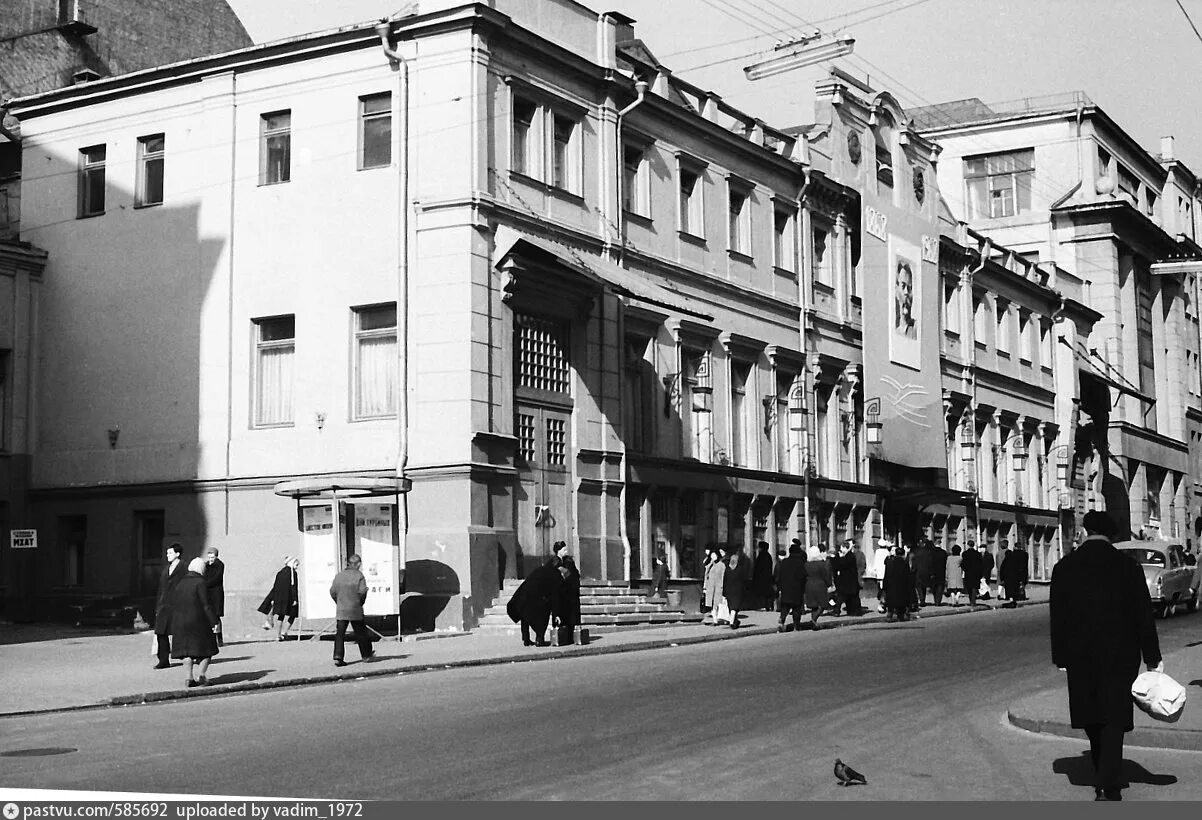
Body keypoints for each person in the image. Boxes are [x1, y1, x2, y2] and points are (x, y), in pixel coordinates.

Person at [1051, 510, 1162, 802]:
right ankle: (1108, 784)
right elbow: (1143, 616)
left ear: (1086, 531)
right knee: (1114, 716)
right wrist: (1152, 656)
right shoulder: (1128, 567)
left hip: (1080, 654)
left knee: (1091, 715)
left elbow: (1057, 617)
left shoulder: (1065, 568)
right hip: (1119, 655)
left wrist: (1061, 656)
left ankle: (1103, 769)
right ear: (1112, 536)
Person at [168, 557, 219, 687]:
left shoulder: (180, 583)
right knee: (208, 649)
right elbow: (206, 605)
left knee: (186, 651)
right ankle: (201, 675)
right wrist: (214, 622)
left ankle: (188, 678)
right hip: (198, 622)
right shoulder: (201, 582)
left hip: (180, 622)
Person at [329, 554, 374, 667]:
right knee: (361, 633)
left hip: (341, 609)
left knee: (340, 634)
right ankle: (366, 655)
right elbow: (362, 591)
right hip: (355, 608)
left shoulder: (339, 575)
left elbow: (333, 591)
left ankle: (338, 657)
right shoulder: (359, 575)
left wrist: (339, 601)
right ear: (358, 564)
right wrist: (360, 602)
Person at [505, 560, 563, 647]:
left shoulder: (541, 569)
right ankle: (539, 639)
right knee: (542, 617)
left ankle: (526, 639)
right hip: (536, 597)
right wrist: (556, 614)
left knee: (524, 615)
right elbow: (555, 595)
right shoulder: (555, 574)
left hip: (523, 594)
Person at [153, 543, 185, 669]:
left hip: (177, 605)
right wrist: (158, 606)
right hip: (164, 606)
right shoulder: (166, 569)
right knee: (161, 633)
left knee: (181, 632)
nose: (168, 555)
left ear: (177, 554)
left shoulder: (183, 568)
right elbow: (161, 589)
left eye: (170, 553)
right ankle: (163, 660)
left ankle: (187, 656)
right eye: (167, 553)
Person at [258, 556, 300, 641]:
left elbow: (275, 586)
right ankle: (285, 632)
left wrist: (273, 598)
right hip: (290, 599)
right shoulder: (293, 574)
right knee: (293, 615)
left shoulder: (280, 573)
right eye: (296, 564)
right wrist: (295, 599)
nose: (297, 566)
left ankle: (278, 635)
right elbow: (293, 587)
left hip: (280, 598)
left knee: (281, 616)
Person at [774, 544, 807, 632]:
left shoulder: (784, 562)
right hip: (796, 588)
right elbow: (803, 576)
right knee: (796, 608)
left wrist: (780, 587)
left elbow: (780, 575)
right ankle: (796, 625)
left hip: (786, 588)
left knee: (785, 606)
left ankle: (782, 619)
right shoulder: (800, 563)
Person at [829, 540, 863, 616]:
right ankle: (851, 611)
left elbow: (843, 565)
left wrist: (840, 558)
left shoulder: (850, 556)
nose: (841, 550)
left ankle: (837, 611)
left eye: (842, 548)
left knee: (843, 596)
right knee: (848, 597)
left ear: (845, 548)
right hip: (846, 581)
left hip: (849, 581)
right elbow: (837, 565)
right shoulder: (846, 555)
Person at [803, 545, 832, 630]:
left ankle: (814, 623)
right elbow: (825, 575)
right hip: (820, 585)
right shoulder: (821, 564)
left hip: (809, 585)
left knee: (813, 605)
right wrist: (829, 584)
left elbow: (804, 575)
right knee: (823, 604)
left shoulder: (806, 565)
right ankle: (813, 620)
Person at [555, 553, 581, 645]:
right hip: (573, 597)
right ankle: (573, 638)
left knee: (565, 619)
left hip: (566, 598)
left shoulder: (566, 569)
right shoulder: (574, 570)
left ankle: (565, 638)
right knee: (573, 619)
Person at [883, 545, 913, 622]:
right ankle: (900, 616)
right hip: (902, 586)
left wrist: (885, 586)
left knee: (891, 602)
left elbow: (886, 575)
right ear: (903, 555)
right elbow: (908, 576)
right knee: (901, 602)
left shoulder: (890, 562)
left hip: (891, 586)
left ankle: (889, 615)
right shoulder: (905, 563)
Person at [723, 548, 750, 630]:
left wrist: (724, 591)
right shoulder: (740, 569)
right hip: (737, 591)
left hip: (729, 591)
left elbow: (724, 581)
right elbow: (743, 580)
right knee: (735, 608)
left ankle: (734, 621)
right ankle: (732, 622)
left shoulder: (727, 570)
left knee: (731, 607)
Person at [203, 546, 225, 646]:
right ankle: (210, 638)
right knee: (208, 615)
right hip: (208, 593)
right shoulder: (206, 565)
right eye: (209, 557)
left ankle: (219, 638)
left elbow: (217, 578)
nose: (210, 559)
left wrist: (205, 583)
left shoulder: (220, 565)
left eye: (212, 557)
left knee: (216, 616)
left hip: (216, 593)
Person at [704, 547, 729, 626]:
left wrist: (723, 586)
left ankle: (721, 618)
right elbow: (706, 576)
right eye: (712, 555)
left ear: (718, 556)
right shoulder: (710, 565)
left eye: (714, 555)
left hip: (719, 587)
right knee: (711, 604)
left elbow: (724, 577)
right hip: (710, 587)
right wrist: (704, 587)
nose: (713, 557)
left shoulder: (722, 565)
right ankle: (715, 620)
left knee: (718, 604)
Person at [1000, 541, 1029, 608]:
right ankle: (1020, 597)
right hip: (1019, 573)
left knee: (1011, 589)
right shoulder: (1025, 554)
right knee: (1019, 586)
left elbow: (1002, 568)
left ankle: (1012, 600)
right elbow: (1025, 565)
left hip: (1009, 577)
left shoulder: (1012, 556)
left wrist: (1002, 577)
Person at [894, 260, 917, 339]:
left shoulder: (916, 328)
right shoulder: (894, 331)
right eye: (903, 286)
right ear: (897, 291)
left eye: (909, 288)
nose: (906, 292)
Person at [751, 541, 775, 611]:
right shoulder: (768, 556)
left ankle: (762, 605)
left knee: (761, 593)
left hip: (760, 578)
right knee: (766, 593)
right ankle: (767, 606)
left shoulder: (761, 556)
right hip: (767, 578)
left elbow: (758, 568)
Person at [911, 539, 934, 608]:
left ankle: (921, 600)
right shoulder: (928, 552)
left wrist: (913, 570)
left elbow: (914, 563)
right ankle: (923, 599)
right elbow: (930, 563)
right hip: (926, 571)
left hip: (918, 571)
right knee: (923, 586)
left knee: (918, 586)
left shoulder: (916, 552)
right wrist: (931, 572)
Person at [960, 541, 983, 608]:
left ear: (968, 545)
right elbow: (981, 564)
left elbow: (963, 564)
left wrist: (965, 569)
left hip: (968, 573)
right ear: (973, 545)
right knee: (974, 587)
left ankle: (971, 601)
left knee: (969, 587)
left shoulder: (965, 553)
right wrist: (980, 573)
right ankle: (973, 601)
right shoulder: (978, 554)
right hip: (976, 573)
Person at [930, 540, 949, 606]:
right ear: (940, 544)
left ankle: (935, 599)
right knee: (940, 587)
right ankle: (938, 601)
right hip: (941, 572)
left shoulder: (931, 552)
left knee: (934, 587)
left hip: (933, 572)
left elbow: (929, 563)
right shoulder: (944, 553)